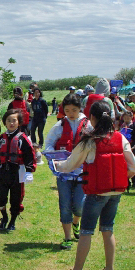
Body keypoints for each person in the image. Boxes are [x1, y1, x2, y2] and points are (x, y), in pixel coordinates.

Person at [53, 100, 135, 270]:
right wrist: (120, 178)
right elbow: (134, 166)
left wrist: (55, 165)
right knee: (108, 229)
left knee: (86, 232)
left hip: (96, 194)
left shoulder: (89, 141)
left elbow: (69, 165)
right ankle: (109, 269)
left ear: (92, 118)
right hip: (115, 193)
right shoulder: (120, 138)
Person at [43, 94, 92, 248]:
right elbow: (49, 144)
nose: (71, 113)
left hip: (82, 172)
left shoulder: (88, 125)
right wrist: (54, 156)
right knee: (64, 205)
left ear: (80, 109)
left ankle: (76, 222)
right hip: (64, 173)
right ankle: (67, 237)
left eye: (74, 110)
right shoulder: (59, 125)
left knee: (79, 205)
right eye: (67, 110)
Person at [0, 108, 36, 231]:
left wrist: (29, 171)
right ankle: (4, 217)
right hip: (4, 172)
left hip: (18, 173)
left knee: (16, 199)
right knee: (0, 198)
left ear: (19, 122)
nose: (11, 123)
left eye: (14, 120)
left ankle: (12, 221)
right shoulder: (2, 138)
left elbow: (29, 155)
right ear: (5, 122)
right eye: (8, 120)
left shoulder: (23, 138)